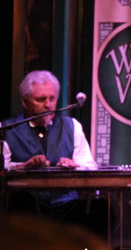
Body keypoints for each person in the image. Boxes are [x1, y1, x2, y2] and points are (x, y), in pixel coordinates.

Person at [2, 70, 104, 231]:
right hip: (25, 208)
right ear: (25, 101)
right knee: (21, 206)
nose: (48, 105)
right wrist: (22, 167)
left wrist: (75, 165)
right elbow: (4, 168)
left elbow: (90, 166)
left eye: (52, 99)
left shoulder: (72, 126)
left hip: (65, 205)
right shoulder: (7, 130)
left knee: (101, 211)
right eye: (40, 99)